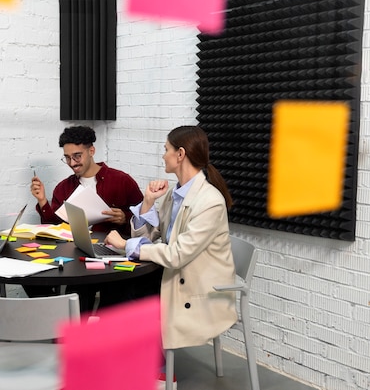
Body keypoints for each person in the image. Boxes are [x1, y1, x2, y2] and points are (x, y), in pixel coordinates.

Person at [104, 125, 238, 390]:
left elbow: (177, 254)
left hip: (201, 287)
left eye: (165, 150)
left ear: (180, 154)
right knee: (117, 288)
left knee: (134, 295)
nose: (162, 156)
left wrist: (126, 245)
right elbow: (155, 236)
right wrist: (148, 203)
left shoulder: (209, 201)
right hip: (178, 274)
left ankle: (159, 369)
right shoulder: (176, 195)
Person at [28, 125, 153, 311]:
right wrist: (43, 202)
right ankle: (74, 330)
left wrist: (124, 218)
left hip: (113, 257)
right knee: (73, 295)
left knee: (114, 296)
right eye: (67, 158)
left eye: (77, 156)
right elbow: (54, 228)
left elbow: (146, 222)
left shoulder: (121, 181)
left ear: (91, 151)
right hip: (78, 256)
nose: (72, 163)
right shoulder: (63, 188)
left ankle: (104, 333)